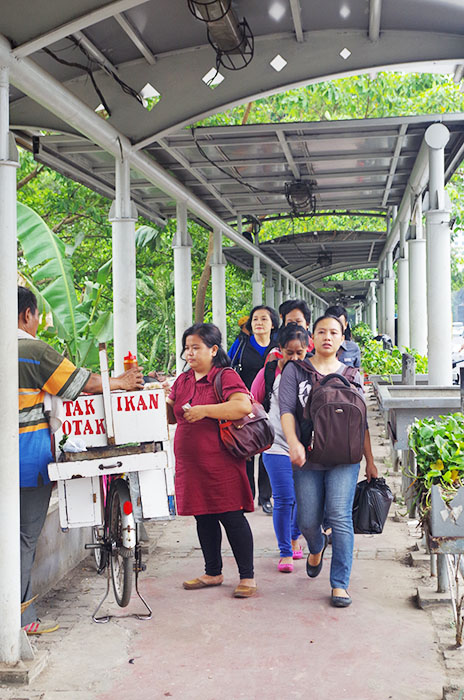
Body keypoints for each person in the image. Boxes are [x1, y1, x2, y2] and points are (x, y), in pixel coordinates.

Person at [17, 286, 144, 634]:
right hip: (25, 463)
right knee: (23, 539)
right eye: (38, 316)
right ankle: (21, 621)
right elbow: (78, 384)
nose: (38, 322)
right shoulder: (30, 350)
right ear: (27, 314)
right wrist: (121, 381)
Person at [280, 314, 378, 607]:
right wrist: (293, 443)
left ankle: (339, 584)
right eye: (321, 331)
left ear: (342, 338)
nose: (327, 336)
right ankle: (316, 545)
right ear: (312, 337)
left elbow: (362, 422)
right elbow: (286, 410)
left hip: (344, 458)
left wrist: (370, 461)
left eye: (333, 332)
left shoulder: (352, 374)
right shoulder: (295, 371)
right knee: (308, 520)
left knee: (339, 515)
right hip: (307, 456)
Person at [166, 323, 257, 598]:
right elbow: (172, 417)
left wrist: (205, 410)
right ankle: (213, 571)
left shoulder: (224, 376)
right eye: (187, 348)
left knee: (231, 515)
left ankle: (247, 576)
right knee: (202, 515)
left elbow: (243, 405)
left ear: (214, 349)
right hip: (190, 462)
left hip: (221, 461)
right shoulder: (183, 380)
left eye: (196, 348)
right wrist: (159, 401)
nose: (190, 354)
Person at [251, 324, 309, 572]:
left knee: (303, 500)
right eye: (289, 353)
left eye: (299, 353)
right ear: (280, 350)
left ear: (308, 350)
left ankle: (295, 537)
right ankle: (285, 551)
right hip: (274, 445)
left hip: (306, 446)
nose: (294, 358)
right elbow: (253, 402)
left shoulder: (314, 373)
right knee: (284, 499)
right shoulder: (269, 373)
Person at [228, 305, 279, 514]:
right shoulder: (241, 344)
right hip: (244, 406)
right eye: (255, 319)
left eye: (264, 319)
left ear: (273, 324)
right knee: (246, 450)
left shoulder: (278, 346)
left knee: (267, 449)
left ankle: (265, 498)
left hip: (271, 405)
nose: (259, 322)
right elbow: (227, 368)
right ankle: (247, 495)